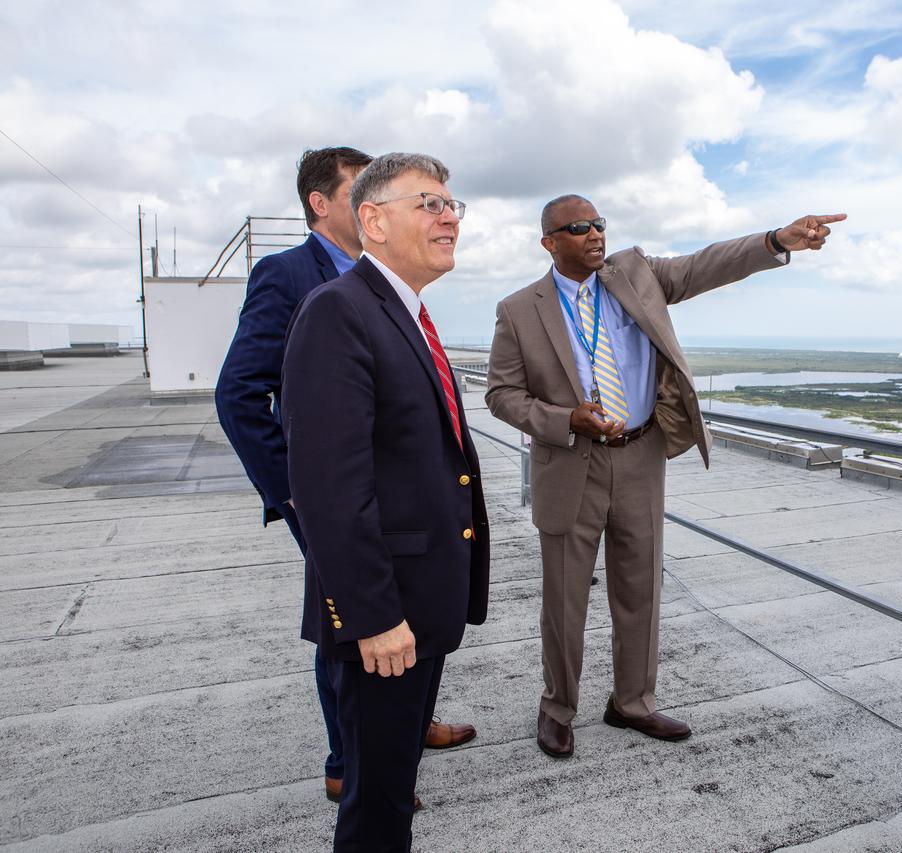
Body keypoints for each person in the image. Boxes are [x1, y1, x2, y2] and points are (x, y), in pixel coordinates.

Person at [485, 194, 844, 757]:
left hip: (639, 455)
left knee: (640, 590)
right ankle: (558, 708)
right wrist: (563, 419)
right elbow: (502, 395)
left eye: (599, 223)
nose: (595, 233)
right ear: (549, 242)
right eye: (578, 227)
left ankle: (633, 702)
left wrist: (775, 240)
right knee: (564, 598)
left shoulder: (636, 274)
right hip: (570, 460)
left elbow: (706, 265)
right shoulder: (519, 309)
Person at [214, 148, 476, 811]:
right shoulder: (291, 277)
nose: (441, 216)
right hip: (335, 497)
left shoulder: (402, 293)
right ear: (323, 204)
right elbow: (239, 393)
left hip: (399, 508)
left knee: (396, 631)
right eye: (360, 189)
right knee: (353, 625)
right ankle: (349, 761)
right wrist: (297, 492)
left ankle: (403, 727)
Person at [281, 152, 489, 851]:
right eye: (428, 202)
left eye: (452, 203)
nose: (449, 215)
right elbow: (328, 486)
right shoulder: (339, 312)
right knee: (374, 807)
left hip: (419, 605)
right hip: (385, 621)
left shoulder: (405, 312)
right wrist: (373, 616)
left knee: (394, 787)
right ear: (372, 220)